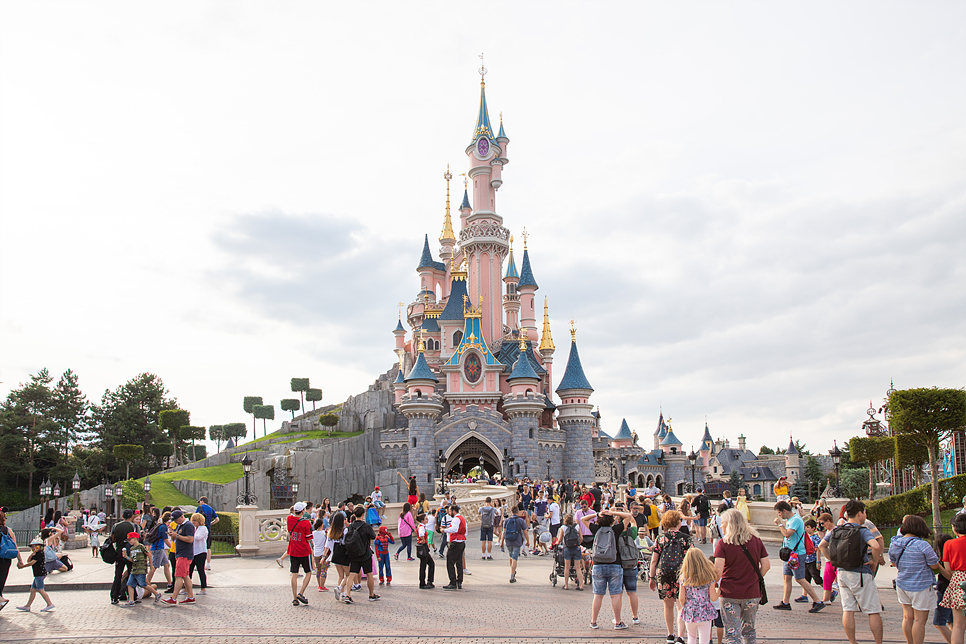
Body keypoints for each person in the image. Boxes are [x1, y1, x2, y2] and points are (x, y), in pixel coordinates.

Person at [818, 499, 883, 644]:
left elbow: (822, 546)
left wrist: (832, 561)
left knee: (848, 610)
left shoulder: (837, 529)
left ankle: (853, 641)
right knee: (873, 610)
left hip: (842, 572)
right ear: (860, 513)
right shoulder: (862, 530)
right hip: (860, 573)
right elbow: (876, 546)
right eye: (864, 512)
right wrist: (875, 561)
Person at [713, 508, 770, 644]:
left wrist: (714, 585)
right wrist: (755, 579)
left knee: (733, 633)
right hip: (752, 592)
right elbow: (766, 565)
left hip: (729, 593)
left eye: (723, 522)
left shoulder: (723, 544)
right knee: (749, 631)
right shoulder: (756, 540)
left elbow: (717, 571)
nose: (721, 525)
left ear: (730, 524)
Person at [889, 515, 945, 644]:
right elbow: (934, 565)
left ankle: (909, 642)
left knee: (907, 617)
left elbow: (893, 562)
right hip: (921, 585)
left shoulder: (895, 544)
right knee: (920, 620)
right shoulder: (922, 545)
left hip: (902, 583)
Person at [772, 500, 824, 612]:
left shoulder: (795, 520)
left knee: (800, 578)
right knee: (787, 577)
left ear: (784, 511)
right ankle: (785, 602)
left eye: (779, 513)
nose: (779, 515)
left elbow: (787, 533)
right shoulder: (791, 519)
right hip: (790, 554)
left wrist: (779, 524)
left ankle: (817, 601)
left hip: (797, 554)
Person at [581, 508, 627, 630]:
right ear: (612, 521)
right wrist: (614, 513)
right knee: (615, 595)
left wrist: (596, 514)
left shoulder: (596, 530)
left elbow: (582, 519)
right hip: (614, 563)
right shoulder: (615, 530)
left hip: (598, 564)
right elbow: (628, 517)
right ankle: (617, 622)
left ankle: (594, 621)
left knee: (598, 595)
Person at [651, 510, 692, 644]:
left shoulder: (661, 538)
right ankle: (680, 636)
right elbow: (692, 559)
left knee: (668, 605)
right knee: (681, 606)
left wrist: (652, 577)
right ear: (678, 523)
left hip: (664, 574)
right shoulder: (686, 538)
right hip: (681, 574)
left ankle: (670, 634)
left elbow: (654, 560)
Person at [679, 548, 721, 644]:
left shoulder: (683, 577)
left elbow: (681, 598)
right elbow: (713, 597)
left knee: (691, 637)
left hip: (690, 611)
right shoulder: (708, 577)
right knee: (704, 640)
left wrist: (686, 605)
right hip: (705, 611)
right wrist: (718, 591)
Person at [160, 510, 196, 606]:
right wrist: (172, 534)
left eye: (176, 519)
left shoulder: (188, 525)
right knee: (185, 576)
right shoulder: (180, 525)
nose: (175, 521)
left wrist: (177, 536)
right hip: (181, 553)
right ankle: (190, 596)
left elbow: (190, 539)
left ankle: (173, 598)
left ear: (181, 517)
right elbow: (176, 538)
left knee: (178, 576)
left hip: (184, 554)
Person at [343, 506, 378, 603]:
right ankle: (371, 594)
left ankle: (348, 595)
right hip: (365, 553)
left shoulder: (351, 526)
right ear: (363, 514)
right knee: (369, 574)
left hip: (354, 553)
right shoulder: (366, 526)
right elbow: (373, 536)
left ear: (354, 515)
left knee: (352, 574)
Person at [286, 501, 314, 607]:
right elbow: (309, 539)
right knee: (308, 572)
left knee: (294, 574)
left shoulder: (289, 519)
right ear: (302, 511)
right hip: (304, 551)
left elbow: (290, 531)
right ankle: (301, 593)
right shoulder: (306, 522)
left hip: (293, 550)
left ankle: (294, 598)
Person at [15, 538, 54, 612]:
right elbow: (28, 560)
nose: (33, 548)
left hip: (40, 574)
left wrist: (22, 567)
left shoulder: (40, 554)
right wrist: (32, 554)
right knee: (32, 590)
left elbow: (31, 563)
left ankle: (49, 604)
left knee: (40, 589)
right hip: (37, 574)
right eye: (32, 546)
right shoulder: (36, 554)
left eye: (35, 546)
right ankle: (27, 606)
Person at [0, 506, 25, 612]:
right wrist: (20, 560)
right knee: (1, 581)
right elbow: (15, 546)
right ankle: (1, 599)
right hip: (5, 560)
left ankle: (1, 599)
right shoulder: (8, 530)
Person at [109, 509, 137, 605]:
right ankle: (132, 596)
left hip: (119, 552)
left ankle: (114, 596)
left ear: (122, 515)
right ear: (132, 516)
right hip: (131, 552)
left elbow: (112, 538)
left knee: (118, 574)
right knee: (131, 574)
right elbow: (138, 538)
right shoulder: (133, 526)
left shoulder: (116, 526)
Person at [553, 513, 584, 591]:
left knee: (567, 567)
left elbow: (559, 540)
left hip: (567, 548)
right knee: (578, 567)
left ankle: (566, 585)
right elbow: (581, 538)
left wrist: (556, 543)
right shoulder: (577, 526)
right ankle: (581, 585)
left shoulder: (563, 528)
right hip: (576, 548)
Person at [500, 503, 529, 583]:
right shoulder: (520, 521)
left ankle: (512, 570)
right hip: (517, 540)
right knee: (515, 557)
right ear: (518, 512)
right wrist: (528, 541)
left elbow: (503, 532)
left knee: (510, 555)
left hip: (508, 540)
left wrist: (501, 542)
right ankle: (512, 575)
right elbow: (525, 532)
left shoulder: (507, 520)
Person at [934, 533, 955, 644]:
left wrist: (938, 565)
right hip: (951, 590)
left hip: (945, 590)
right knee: (951, 621)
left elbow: (950, 576)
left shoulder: (945, 559)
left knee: (938, 622)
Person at [120, 531, 150, 607]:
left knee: (143, 585)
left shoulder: (141, 546)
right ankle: (131, 601)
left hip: (141, 569)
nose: (129, 541)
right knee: (129, 584)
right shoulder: (131, 549)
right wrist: (126, 557)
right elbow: (132, 560)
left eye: (130, 540)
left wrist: (151, 565)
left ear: (135, 538)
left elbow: (148, 554)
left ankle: (157, 594)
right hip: (134, 569)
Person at [442, 504, 466, 590]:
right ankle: (459, 581)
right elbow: (465, 531)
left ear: (453, 511)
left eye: (449, 511)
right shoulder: (462, 519)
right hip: (461, 542)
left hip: (455, 542)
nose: (449, 512)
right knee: (459, 561)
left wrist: (444, 530)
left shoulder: (455, 519)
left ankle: (452, 581)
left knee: (450, 561)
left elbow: (454, 529)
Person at [327, 512, 350, 602]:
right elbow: (345, 542)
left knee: (340, 575)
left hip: (335, 554)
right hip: (343, 554)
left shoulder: (331, 531)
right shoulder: (345, 531)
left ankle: (343, 594)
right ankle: (339, 588)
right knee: (348, 574)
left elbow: (329, 544)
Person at [146, 510, 171, 588]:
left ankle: (170, 583)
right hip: (158, 549)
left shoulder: (160, 525)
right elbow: (166, 540)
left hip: (159, 548)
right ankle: (146, 583)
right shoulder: (164, 527)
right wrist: (173, 548)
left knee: (167, 564)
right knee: (153, 567)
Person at [187, 513, 209, 595]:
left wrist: (190, 534)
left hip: (200, 552)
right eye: (192, 520)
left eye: (195, 520)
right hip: (192, 552)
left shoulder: (203, 528)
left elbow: (198, 537)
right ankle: (187, 588)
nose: (193, 522)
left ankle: (203, 588)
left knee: (200, 570)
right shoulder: (193, 528)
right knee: (189, 571)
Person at [196, 496, 219, 572]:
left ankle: (198, 564)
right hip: (208, 529)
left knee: (199, 546)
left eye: (199, 501)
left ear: (202, 501)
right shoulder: (211, 509)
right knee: (208, 547)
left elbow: (195, 518)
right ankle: (208, 564)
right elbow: (217, 519)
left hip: (200, 528)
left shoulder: (199, 508)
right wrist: (210, 523)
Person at [415, 512, 435, 589]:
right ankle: (424, 582)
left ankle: (426, 581)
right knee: (426, 564)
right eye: (426, 519)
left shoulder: (421, 526)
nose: (427, 520)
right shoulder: (421, 527)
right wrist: (423, 540)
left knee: (425, 564)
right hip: (423, 546)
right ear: (422, 520)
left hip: (422, 547)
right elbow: (421, 534)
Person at [312, 518, 330, 592]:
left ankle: (319, 585)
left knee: (318, 569)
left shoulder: (313, 533)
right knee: (324, 570)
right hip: (323, 553)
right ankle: (322, 586)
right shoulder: (324, 533)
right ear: (322, 525)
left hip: (316, 553)